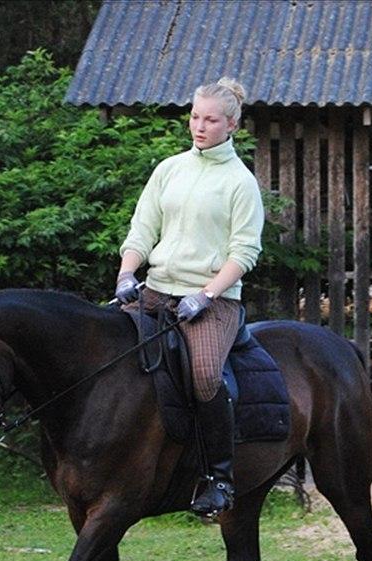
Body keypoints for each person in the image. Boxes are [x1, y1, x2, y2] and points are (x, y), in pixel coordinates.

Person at [115, 77, 264, 517]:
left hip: (213, 302)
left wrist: (207, 293)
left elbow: (245, 252)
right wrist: (127, 273)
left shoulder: (240, 182)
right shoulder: (169, 169)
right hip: (156, 291)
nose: (199, 126)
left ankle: (219, 477)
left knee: (204, 377)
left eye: (211, 119)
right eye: (195, 117)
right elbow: (142, 231)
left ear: (232, 124)